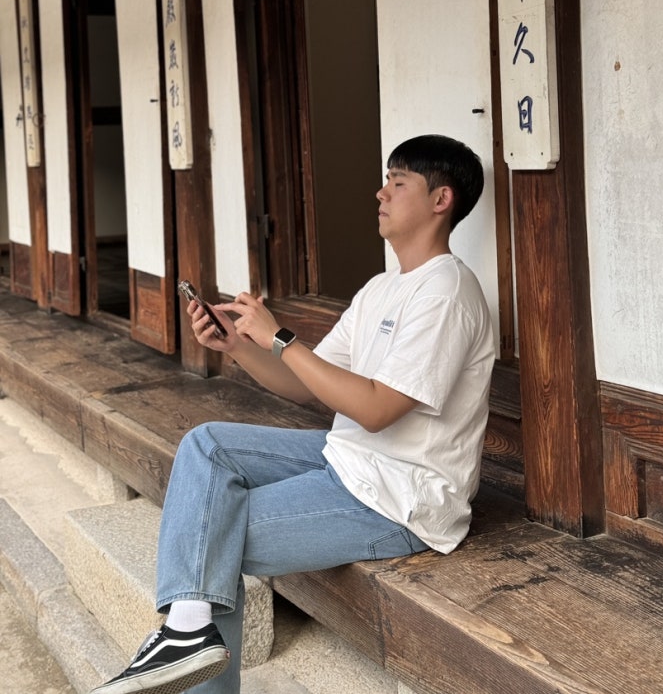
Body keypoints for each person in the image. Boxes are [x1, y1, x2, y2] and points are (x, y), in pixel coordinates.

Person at [91, 134, 496, 694]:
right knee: (207, 445)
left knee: (208, 539)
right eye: (386, 180)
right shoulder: (381, 288)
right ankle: (186, 634)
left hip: (400, 499)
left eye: (398, 182)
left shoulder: (447, 292)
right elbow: (304, 386)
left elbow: (377, 410)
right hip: (348, 462)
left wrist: (280, 336)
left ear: (440, 200)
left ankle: (186, 635)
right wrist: (238, 345)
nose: (380, 193)